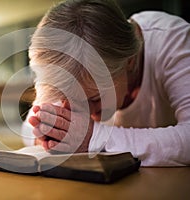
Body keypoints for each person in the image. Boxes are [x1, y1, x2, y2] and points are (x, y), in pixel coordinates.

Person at [21, 0, 190, 166]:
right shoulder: (71, 64)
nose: (88, 112)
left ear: (129, 60)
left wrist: (95, 138)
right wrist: (50, 133)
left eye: (95, 98)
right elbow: (28, 127)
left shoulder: (173, 41)